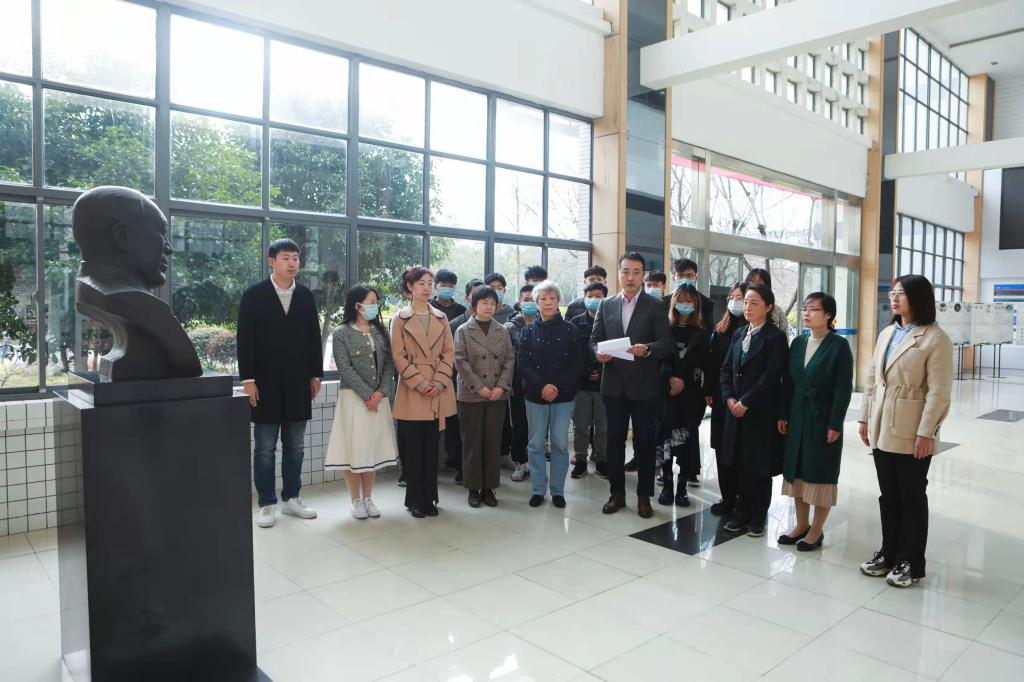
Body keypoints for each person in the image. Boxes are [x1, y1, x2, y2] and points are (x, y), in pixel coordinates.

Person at [858, 275, 953, 588]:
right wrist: (864, 419)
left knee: (911, 497)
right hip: (882, 425)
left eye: (901, 293)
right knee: (888, 496)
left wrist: (927, 433)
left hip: (912, 430)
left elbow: (939, 392)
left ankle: (910, 561)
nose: (894, 298)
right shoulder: (887, 333)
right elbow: (872, 379)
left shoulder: (935, 339)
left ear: (919, 298)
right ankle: (888, 553)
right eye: (892, 293)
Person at [237, 239, 323, 529]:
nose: (292, 263)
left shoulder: (305, 296)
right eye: (286, 258)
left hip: (298, 382)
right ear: (271, 262)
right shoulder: (254, 295)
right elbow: (245, 340)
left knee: (295, 446)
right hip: (264, 383)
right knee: (264, 448)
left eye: (296, 258)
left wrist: (315, 375)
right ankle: (266, 503)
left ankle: (292, 498)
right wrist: (248, 380)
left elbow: (313, 337)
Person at [591, 252, 672, 519]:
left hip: (644, 386)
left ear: (643, 276)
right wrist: (598, 354)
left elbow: (666, 344)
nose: (630, 277)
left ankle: (644, 496)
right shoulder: (606, 305)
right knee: (614, 441)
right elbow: (594, 340)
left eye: (636, 272)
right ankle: (617, 494)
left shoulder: (655, 305)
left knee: (644, 442)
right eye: (626, 271)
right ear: (618, 273)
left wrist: (647, 349)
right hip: (613, 385)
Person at [777, 293, 854, 550]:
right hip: (797, 415)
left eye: (813, 309)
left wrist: (835, 423)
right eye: (804, 309)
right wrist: (783, 414)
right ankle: (801, 525)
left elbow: (843, 388)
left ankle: (816, 530)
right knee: (798, 472)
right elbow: (788, 383)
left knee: (820, 472)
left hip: (822, 418)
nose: (806, 314)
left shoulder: (839, 346)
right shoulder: (798, 343)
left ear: (828, 315)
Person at [719, 283, 788, 537]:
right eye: (745, 302)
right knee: (738, 463)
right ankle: (741, 511)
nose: (747, 307)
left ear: (768, 307)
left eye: (754, 303)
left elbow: (771, 376)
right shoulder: (739, 333)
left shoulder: (775, 338)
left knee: (758, 465)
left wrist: (745, 402)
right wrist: (729, 399)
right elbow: (726, 369)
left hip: (759, 412)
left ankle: (758, 515)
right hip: (734, 410)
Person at [326, 285, 398, 519]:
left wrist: (381, 392)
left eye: (376, 301)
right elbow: (345, 369)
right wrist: (368, 395)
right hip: (353, 399)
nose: (375, 306)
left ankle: (368, 498)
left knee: (371, 448)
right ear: (357, 305)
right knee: (353, 448)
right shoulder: (341, 333)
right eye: (371, 301)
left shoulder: (380, 331)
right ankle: (355, 501)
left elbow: (389, 364)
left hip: (378, 399)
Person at [391, 267, 457, 518]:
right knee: (413, 449)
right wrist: (420, 383)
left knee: (431, 449)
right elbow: (398, 356)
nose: (427, 288)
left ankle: (430, 499)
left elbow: (449, 352)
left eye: (430, 283)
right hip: (413, 390)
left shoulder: (441, 318)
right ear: (410, 287)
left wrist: (439, 382)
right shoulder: (399, 318)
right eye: (421, 283)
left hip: (437, 390)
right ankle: (414, 500)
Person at [518, 280, 581, 508]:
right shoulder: (527, 331)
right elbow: (523, 363)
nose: (547, 302)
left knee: (560, 444)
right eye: (543, 299)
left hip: (563, 397)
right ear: (536, 303)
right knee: (535, 444)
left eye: (552, 298)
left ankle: (557, 491)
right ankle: (537, 489)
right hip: (535, 396)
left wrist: (555, 387)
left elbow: (577, 364)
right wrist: (542, 386)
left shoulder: (571, 330)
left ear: (558, 302)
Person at [454, 285, 515, 508]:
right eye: (484, 303)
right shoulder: (463, 330)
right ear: (474, 305)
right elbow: (460, 362)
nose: (489, 307)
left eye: (492, 303)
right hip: (471, 394)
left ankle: (489, 488)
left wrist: (501, 387)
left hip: (497, 395)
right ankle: (473, 488)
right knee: (472, 442)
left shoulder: (502, 330)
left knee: (492, 442)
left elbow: (510, 360)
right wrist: (479, 388)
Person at [659, 284, 709, 508]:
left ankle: (682, 488)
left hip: (689, 400)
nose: (685, 305)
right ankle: (667, 484)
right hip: (667, 397)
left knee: (685, 445)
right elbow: (659, 359)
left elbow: (703, 366)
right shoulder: (664, 329)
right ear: (674, 303)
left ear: (696, 305)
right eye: (682, 300)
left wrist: (684, 383)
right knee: (666, 442)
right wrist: (670, 379)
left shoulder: (702, 333)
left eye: (690, 301)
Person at [706, 282, 748, 517]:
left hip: (743, 401)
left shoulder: (750, 329)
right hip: (722, 398)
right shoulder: (721, 329)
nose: (735, 302)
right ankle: (727, 497)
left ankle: (743, 500)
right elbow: (713, 364)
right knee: (721, 448)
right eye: (732, 298)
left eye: (740, 298)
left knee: (740, 451)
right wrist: (710, 391)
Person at [444, 278, 485, 483]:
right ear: (469, 298)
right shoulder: (455, 325)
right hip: (458, 386)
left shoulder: (493, 326)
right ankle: (462, 468)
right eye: (476, 295)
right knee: (459, 431)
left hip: (486, 388)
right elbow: (451, 358)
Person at [569, 281, 608, 479]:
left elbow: (614, 349)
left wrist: (600, 371)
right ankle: (581, 460)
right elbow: (571, 353)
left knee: (603, 427)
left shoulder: (611, 321)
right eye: (590, 296)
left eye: (598, 296)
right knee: (581, 426)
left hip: (605, 384)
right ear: (584, 298)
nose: (594, 300)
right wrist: (585, 371)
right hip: (581, 384)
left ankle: (601, 460)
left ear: (605, 299)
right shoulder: (575, 322)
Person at [505, 284, 536, 482]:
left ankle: (534, 463)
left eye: (534, 300)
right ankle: (519, 462)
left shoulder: (545, 323)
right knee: (519, 423)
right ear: (519, 302)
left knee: (538, 426)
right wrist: (508, 383)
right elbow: (506, 357)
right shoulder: (509, 327)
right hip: (516, 381)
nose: (530, 303)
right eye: (526, 300)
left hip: (539, 382)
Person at [664, 258, 715, 333]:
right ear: (674, 278)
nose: (685, 279)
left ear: (696, 278)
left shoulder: (706, 303)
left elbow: (707, 329)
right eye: (681, 276)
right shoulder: (663, 302)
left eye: (689, 275)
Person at [744, 268, 789, 336]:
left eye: (759, 284)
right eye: (751, 283)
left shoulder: (776, 311)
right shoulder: (741, 306)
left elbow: (784, 334)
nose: (754, 286)